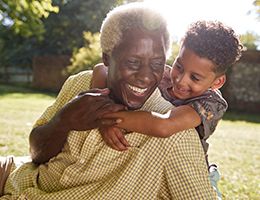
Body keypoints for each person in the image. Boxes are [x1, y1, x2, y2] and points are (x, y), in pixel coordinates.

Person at [0, 3, 218, 199]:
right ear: (107, 58)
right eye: (133, 62)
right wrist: (63, 121)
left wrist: (110, 119)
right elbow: (36, 155)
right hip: (21, 176)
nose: (145, 76)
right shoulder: (80, 83)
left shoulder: (175, 137)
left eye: (156, 64)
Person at [91, 20, 244, 158]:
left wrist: (107, 119)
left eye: (195, 78)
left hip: (183, 166)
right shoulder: (161, 74)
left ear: (217, 82)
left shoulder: (210, 104)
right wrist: (103, 113)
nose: (180, 80)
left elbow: (164, 125)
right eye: (179, 66)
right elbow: (101, 69)